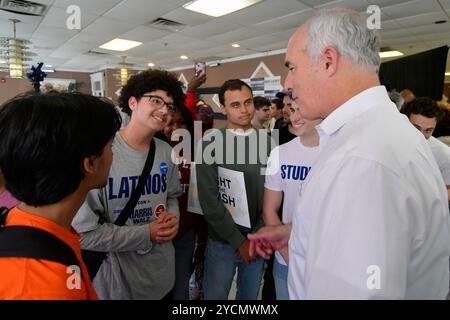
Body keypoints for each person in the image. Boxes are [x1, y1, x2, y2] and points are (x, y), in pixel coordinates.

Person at [249, 8, 450, 299]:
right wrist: (299, 231)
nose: (287, 85)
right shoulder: (379, 134)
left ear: (328, 61)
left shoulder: (361, 161)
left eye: (291, 67)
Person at [72, 70, 184, 300]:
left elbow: (172, 195)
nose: (164, 110)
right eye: (156, 100)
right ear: (132, 102)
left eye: (170, 106)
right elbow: (85, 234)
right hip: (117, 283)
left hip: (161, 277)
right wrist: (146, 233)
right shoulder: (102, 153)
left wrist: (173, 218)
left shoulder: (165, 152)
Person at [0, 92, 121, 299]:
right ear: (90, 163)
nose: (113, 154)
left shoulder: (27, 225)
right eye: (111, 146)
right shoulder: (42, 286)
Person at [196, 79, 272, 300]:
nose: (244, 109)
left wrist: (255, 236)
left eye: (247, 102)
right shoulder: (210, 144)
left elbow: (272, 193)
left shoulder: (268, 143)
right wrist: (239, 242)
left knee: (249, 298)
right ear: (223, 108)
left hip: (257, 239)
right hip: (222, 242)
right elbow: (210, 202)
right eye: (235, 105)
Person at [264, 101, 322, 300]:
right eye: (292, 111)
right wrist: (287, 254)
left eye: (302, 111)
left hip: (324, 263)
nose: (294, 118)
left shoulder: (338, 152)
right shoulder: (280, 153)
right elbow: (270, 210)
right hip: (286, 261)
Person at [401, 97, 450, 201]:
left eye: (428, 130)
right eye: (416, 128)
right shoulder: (392, 144)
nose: (421, 136)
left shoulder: (444, 154)